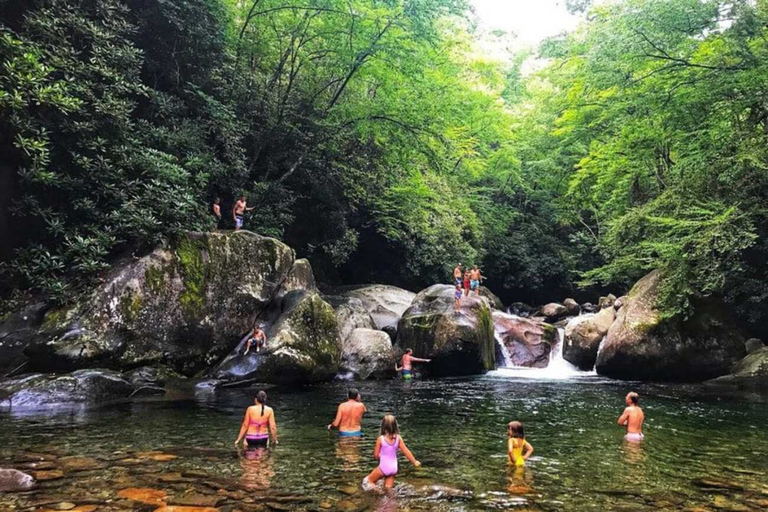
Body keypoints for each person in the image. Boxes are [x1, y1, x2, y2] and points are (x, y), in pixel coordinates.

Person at [363, 415, 421, 490]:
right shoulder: (398, 438)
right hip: (393, 468)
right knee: (388, 490)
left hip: (383, 468)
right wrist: (414, 461)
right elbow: (406, 451)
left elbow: (376, 456)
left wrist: (381, 455)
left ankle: (378, 491)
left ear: (383, 426)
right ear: (395, 426)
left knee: (367, 481)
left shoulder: (381, 439)